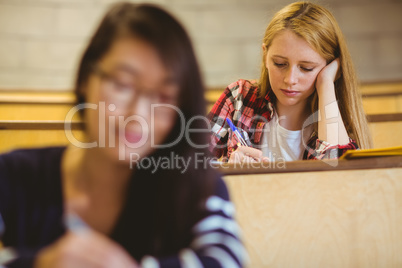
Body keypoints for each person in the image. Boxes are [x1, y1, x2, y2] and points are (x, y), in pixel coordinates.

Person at [0, 3, 246, 268]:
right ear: (85, 79)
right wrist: (39, 263)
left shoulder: (197, 186)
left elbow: (227, 260)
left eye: (163, 97)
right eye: (122, 84)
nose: (138, 114)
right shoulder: (16, 174)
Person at [208, 1, 372, 163]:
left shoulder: (339, 123)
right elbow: (188, 163)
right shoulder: (239, 96)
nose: (290, 79)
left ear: (330, 67)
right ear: (265, 56)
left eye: (307, 68)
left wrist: (326, 84)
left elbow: (340, 180)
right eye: (280, 64)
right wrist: (227, 171)